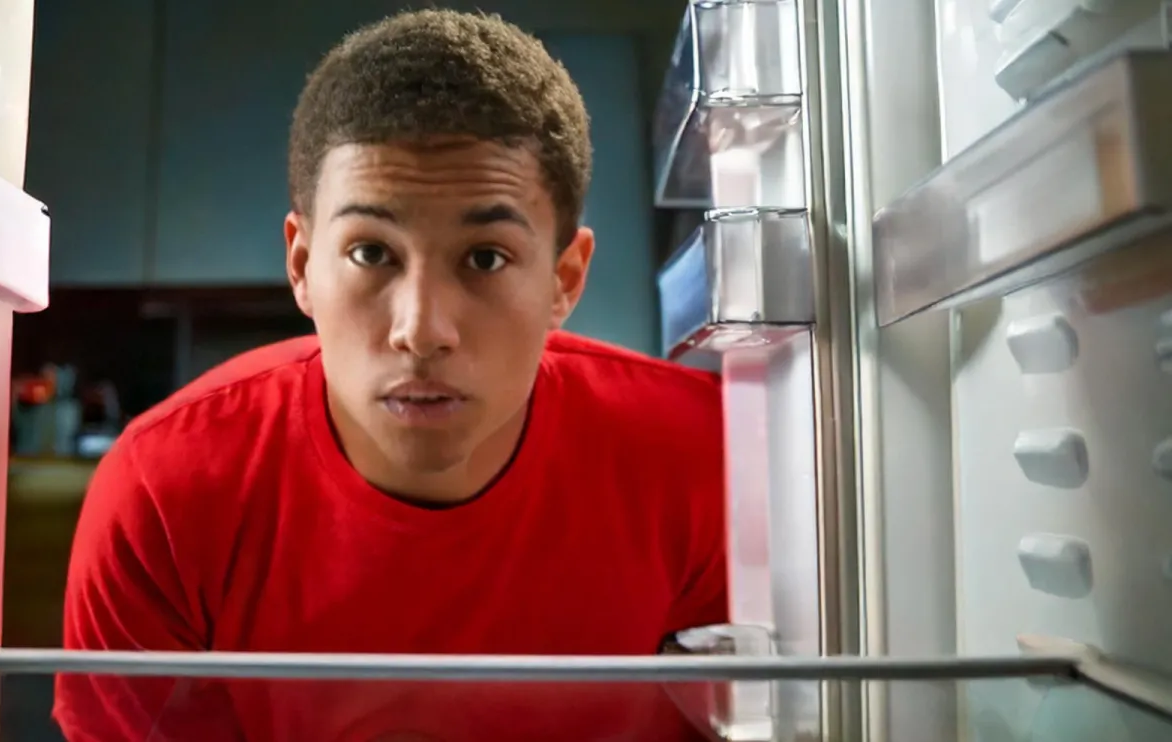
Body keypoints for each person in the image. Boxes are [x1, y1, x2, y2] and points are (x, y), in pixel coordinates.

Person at [53, 9, 726, 741]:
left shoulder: (704, 456)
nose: (421, 330)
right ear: (302, 265)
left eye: (486, 258)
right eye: (372, 253)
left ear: (565, 278)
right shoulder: (163, 494)